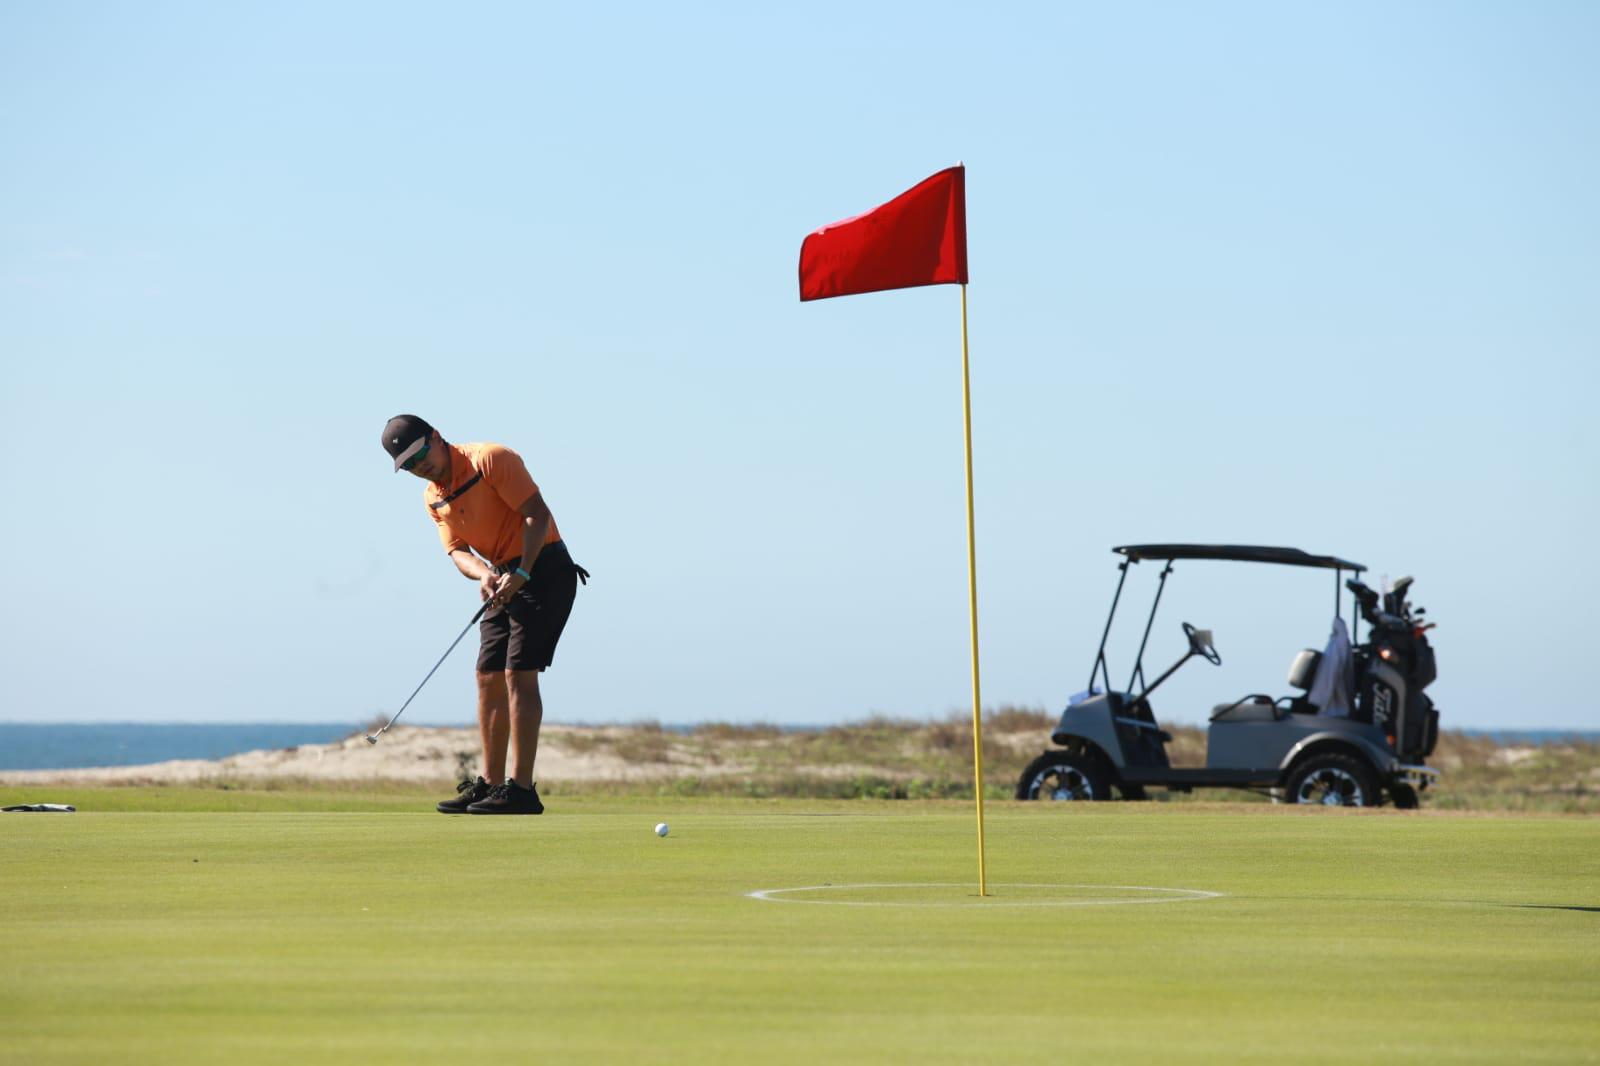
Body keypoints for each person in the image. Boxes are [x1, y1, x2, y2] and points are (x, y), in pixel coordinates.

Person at [381, 414, 586, 815]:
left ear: (437, 437)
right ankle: (491, 786)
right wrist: (486, 574)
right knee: (487, 673)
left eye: (420, 454)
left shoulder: (491, 459)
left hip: (544, 567)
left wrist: (523, 572)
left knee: (517, 673)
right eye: (407, 465)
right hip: (504, 574)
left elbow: (536, 515)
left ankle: (522, 790)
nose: (418, 467)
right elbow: (457, 551)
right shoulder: (432, 497)